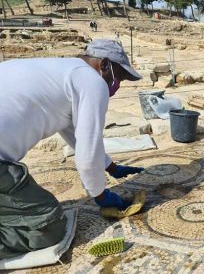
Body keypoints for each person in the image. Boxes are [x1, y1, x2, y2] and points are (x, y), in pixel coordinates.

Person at [0, 39, 144, 259]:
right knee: (49, 226)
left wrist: (110, 166)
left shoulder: (63, 70)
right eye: (119, 77)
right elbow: (87, 152)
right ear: (104, 65)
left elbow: (74, 133)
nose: (116, 85)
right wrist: (100, 194)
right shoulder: (92, 81)